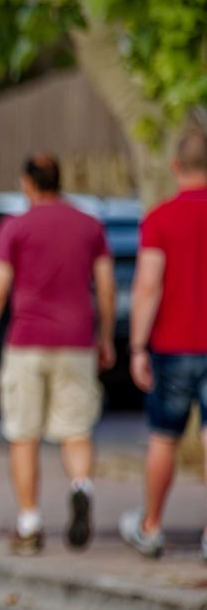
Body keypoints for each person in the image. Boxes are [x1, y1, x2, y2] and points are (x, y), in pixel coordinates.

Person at [0, 154, 115, 555]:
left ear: (28, 183)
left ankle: (29, 524)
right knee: (76, 429)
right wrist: (107, 336)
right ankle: (81, 486)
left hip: (27, 342)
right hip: (77, 341)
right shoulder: (89, 225)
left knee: (24, 434)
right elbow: (106, 285)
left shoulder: (16, 226)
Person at [119, 127, 207, 560]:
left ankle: (151, 525)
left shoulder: (160, 218)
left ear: (176, 166)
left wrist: (137, 345)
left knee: (163, 438)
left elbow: (148, 285)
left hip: (173, 344)